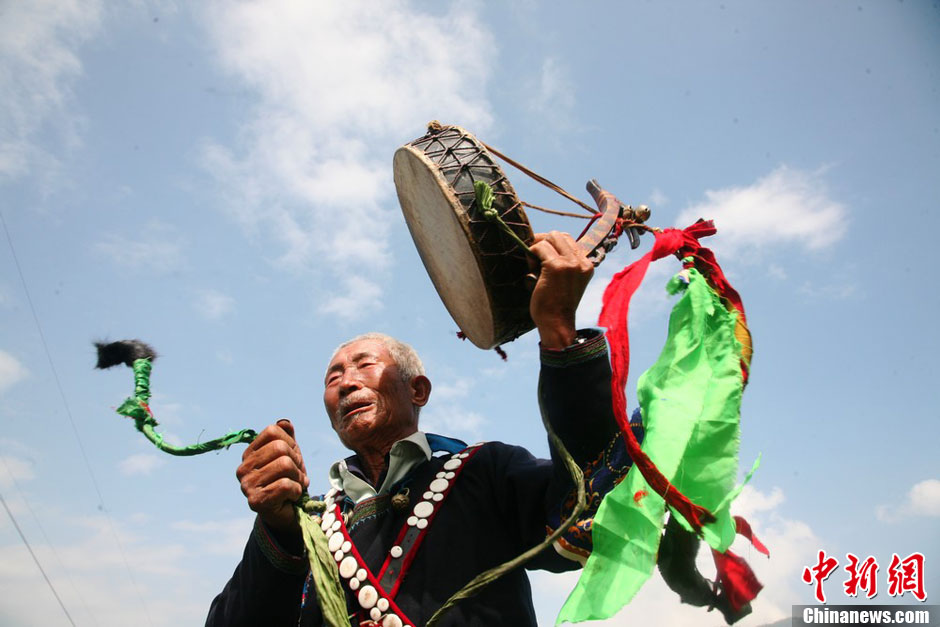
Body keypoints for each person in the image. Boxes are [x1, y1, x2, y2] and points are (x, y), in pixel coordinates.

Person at [206, 232, 641, 626]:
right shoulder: (311, 523)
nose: (347, 383)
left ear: (417, 390)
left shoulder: (484, 470)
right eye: (333, 378)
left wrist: (558, 327)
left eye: (364, 365)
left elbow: (590, 514)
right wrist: (277, 527)